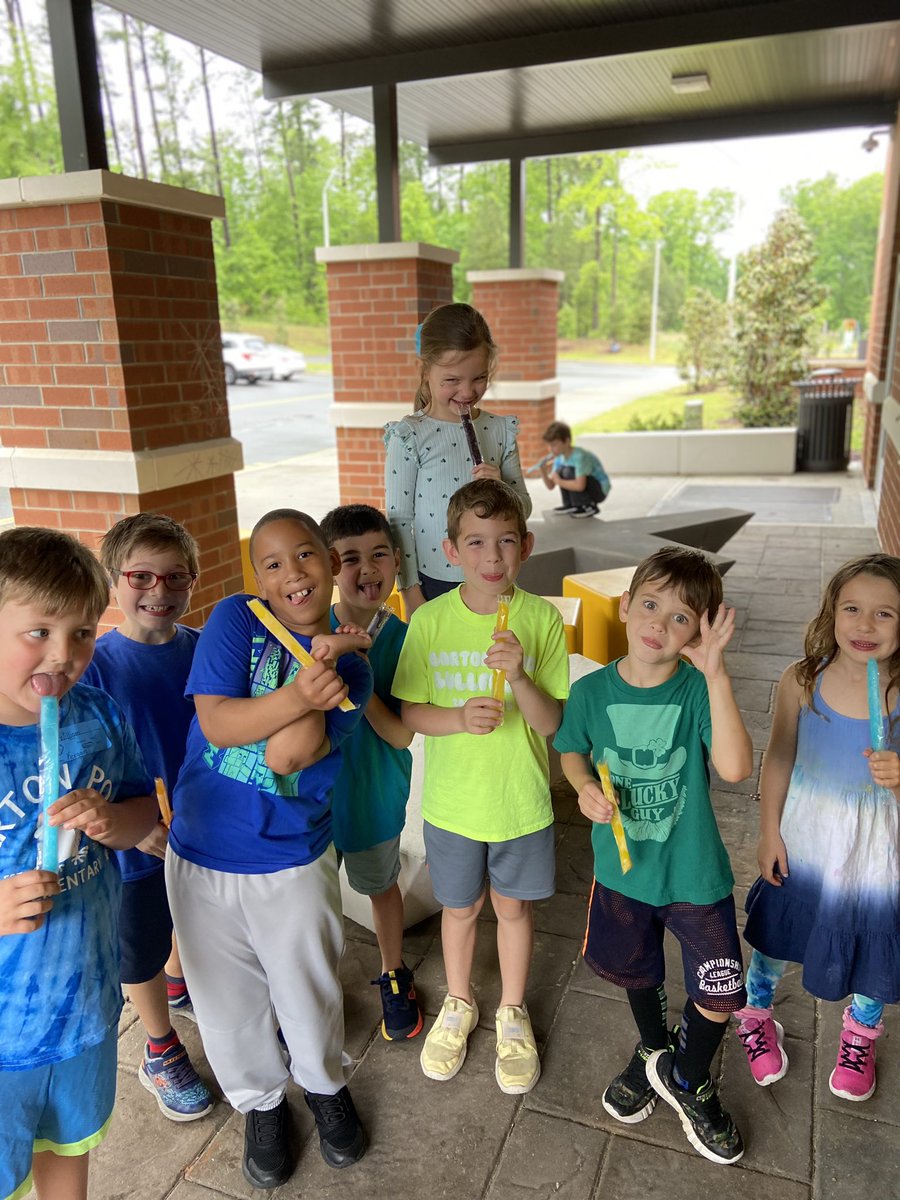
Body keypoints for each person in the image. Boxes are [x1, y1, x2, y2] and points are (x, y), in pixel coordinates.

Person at [164, 508, 373, 1191]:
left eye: (307, 556)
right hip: (198, 852)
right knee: (225, 1005)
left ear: (331, 565)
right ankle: (260, 1104)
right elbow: (220, 725)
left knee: (307, 991)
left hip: (289, 863)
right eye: (275, 563)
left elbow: (287, 754)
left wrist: (323, 664)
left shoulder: (356, 670)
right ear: (258, 577)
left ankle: (324, 1087)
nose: (294, 574)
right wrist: (300, 684)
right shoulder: (236, 619)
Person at [554, 546, 753, 1166]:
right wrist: (584, 787)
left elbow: (735, 767)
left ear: (699, 633)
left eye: (681, 619)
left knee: (720, 991)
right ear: (624, 604)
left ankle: (684, 1073)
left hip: (695, 875)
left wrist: (718, 677)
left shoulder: (697, 690)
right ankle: (651, 1050)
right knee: (638, 972)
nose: (659, 625)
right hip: (623, 874)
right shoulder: (590, 692)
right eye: (650, 605)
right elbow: (570, 751)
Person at [393, 479, 569, 1095]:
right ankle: (461, 1001)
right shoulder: (430, 622)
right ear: (450, 549)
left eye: (505, 542)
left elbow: (552, 723)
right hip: (453, 806)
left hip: (521, 805)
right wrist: (457, 717)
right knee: (460, 909)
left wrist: (520, 677)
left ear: (526, 545)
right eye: (475, 542)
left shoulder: (542, 619)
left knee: (515, 909)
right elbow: (410, 710)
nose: (492, 558)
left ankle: (512, 1011)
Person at [0, 527, 158, 1200]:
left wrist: (109, 820)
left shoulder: (96, 716)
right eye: (38, 632)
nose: (63, 656)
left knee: (69, 1149)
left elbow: (143, 814)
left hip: (85, 1012)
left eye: (83, 633)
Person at [736, 554, 900, 1102]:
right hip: (806, 837)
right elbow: (779, 755)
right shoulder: (802, 681)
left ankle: (859, 1034)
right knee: (778, 935)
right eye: (852, 609)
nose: (865, 625)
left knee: (873, 939)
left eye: (885, 614)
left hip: (873, 851)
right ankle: (756, 1012)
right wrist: (767, 831)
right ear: (831, 613)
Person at [82, 513, 213, 1122]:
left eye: (175, 577)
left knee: (190, 915)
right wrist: (131, 825)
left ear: (193, 579)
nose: (159, 591)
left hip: (203, 822)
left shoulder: (206, 648)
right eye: (141, 576)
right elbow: (86, 761)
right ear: (115, 579)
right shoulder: (97, 665)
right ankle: (159, 1046)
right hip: (135, 836)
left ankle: (180, 981)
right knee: (139, 946)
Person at [319, 503, 423, 1041]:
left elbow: (402, 734)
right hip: (310, 800)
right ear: (327, 567)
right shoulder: (308, 630)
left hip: (374, 795)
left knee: (381, 885)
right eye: (349, 558)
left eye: (378, 554)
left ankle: (392, 969)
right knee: (311, 902)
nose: (367, 569)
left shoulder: (406, 639)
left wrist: (356, 676)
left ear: (397, 562)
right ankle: (311, 988)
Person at [384, 302, 532, 616]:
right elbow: (399, 522)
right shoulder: (408, 436)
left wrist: (503, 488)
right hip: (434, 582)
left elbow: (524, 507)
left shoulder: (499, 430)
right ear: (424, 371)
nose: (466, 391)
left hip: (495, 578)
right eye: (452, 380)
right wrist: (410, 592)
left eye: (478, 378)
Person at [534, 420, 611, 518]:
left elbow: (580, 486)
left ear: (566, 441)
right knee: (562, 470)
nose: (550, 449)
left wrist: (559, 480)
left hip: (598, 490)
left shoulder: (580, 456)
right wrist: (543, 471)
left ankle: (588, 506)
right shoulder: (559, 458)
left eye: (554, 445)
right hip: (582, 486)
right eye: (549, 445)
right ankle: (570, 504)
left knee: (568, 470)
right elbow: (551, 485)